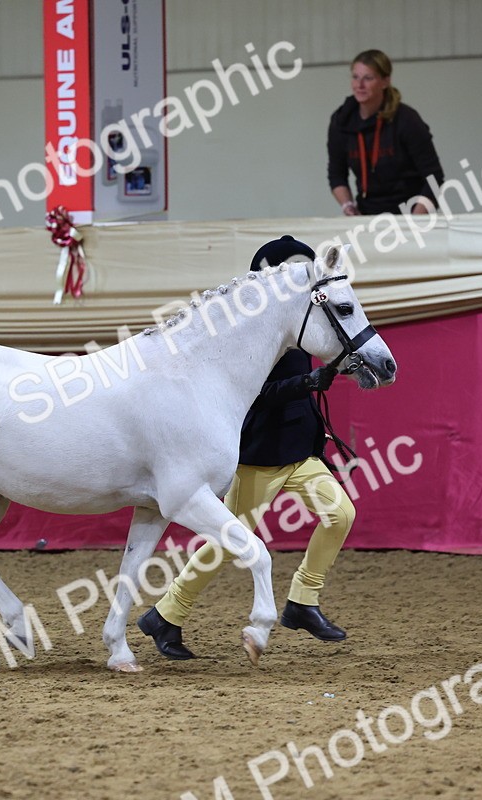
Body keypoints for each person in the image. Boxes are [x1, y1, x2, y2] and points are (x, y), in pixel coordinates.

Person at [137, 235, 357, 660]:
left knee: (341, 514)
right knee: (225, 542)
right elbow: (252, 394)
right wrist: (305, 383)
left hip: (300, 451)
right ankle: (166, 614)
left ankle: (302, 601)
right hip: (261, 453)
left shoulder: (301, 322)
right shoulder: (248, 331)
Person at [328, 49, 444, 217]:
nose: (359, 85)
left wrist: (415, 220)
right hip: (367, 214)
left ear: (385, 81)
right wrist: (348, 206)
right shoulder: (341, 122)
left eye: (368, 78)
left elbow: (434, 177)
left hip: (410, 210)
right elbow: (336, 174)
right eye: (355, 77)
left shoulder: (406, 120)